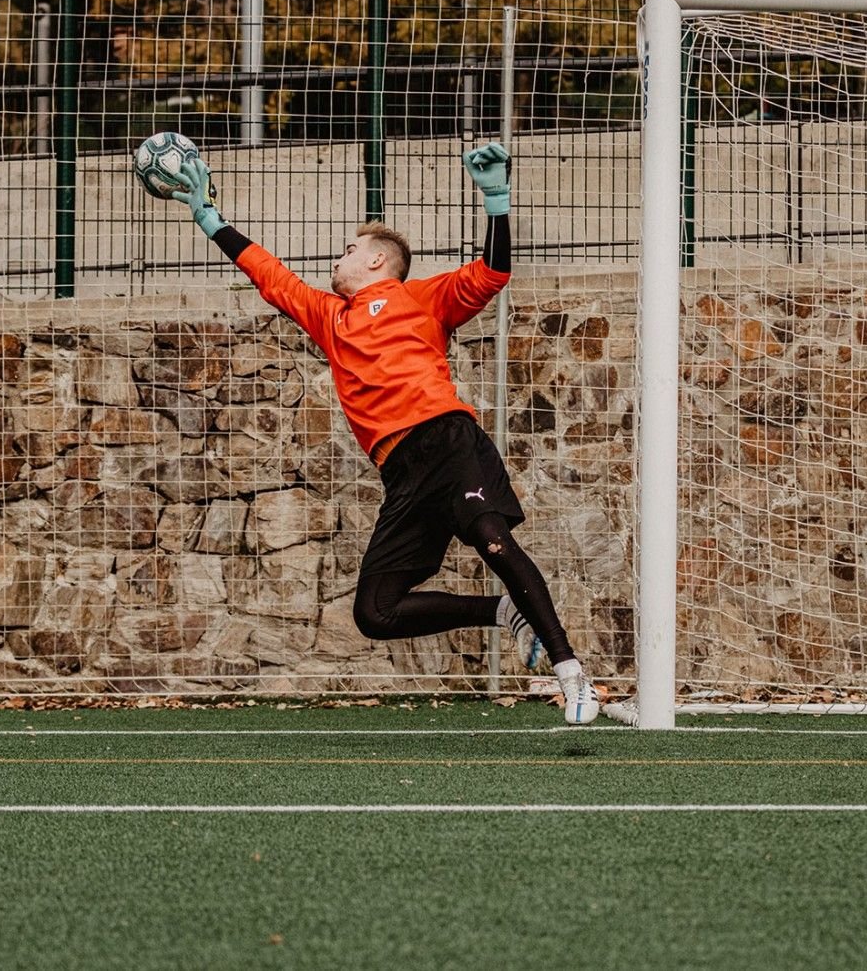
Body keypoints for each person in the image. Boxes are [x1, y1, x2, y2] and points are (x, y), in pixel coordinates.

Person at [172, 143, 600, 724]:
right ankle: (504, 612)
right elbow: (269, 275)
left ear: (377, 262)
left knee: (492, 540)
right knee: (376, 612)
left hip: (446, 440)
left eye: (350, 249)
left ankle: (571, 675)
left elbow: (492, 272)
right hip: (401, 472)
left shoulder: (421, 298)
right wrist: (210, 218)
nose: (339, 258)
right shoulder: (330, 317)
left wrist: (496, 200)